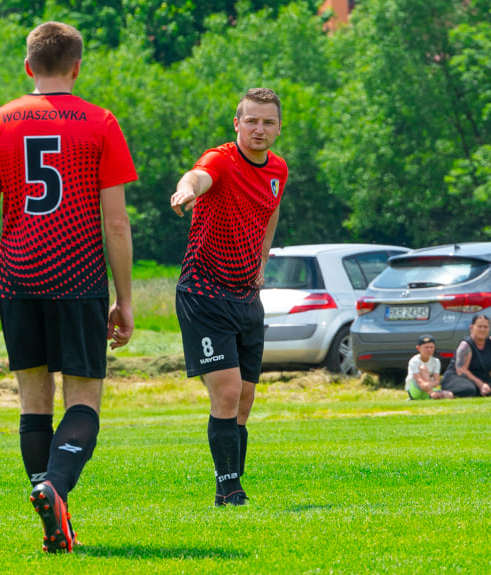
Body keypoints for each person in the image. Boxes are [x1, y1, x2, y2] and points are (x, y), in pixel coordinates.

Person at [0, 22, 137, 552]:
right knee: (83, 399)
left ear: (28, 67)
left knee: (33, 400)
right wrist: (124, 298)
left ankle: (52, 517)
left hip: (18, 277)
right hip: (79, 276)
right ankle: (54, 487)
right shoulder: (100, 122)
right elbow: (115, 223)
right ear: (77, 66)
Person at [170, 88, 287, 506]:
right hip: (204, 293)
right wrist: (187, 190)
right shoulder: (221, 159)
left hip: (245, 296)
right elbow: (198, 175)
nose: (259, 128)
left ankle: (228, 487)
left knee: (245, 400)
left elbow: (269, 217)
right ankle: (230, 490)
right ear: (237, 124)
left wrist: (260, 268)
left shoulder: (278, 169)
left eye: (267, 122)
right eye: (251, 121)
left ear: (277, 127)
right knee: (227, 392)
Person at [440, 315, 491, 397]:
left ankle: (478, 391)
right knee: (469, 390)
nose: (482, 329)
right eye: (479, 326)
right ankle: (444, 394)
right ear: (472, 327)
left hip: (478, 377)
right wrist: (481, 384)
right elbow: (461, 371)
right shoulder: (465, 345)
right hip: (457, 378)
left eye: (485, 327)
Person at [405, 335, 454, 400]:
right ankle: (431, 394)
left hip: (429, 388)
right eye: (426, 347)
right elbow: (419, 381)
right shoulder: (414, 361)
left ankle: (431, 396)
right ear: (418, 348)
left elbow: (437, 381)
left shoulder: (436, 361)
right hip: (415, 390)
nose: (429, 350)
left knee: (449, 395)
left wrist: (429, 384)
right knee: (423, 368)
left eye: (431, 347)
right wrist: (430, 388)